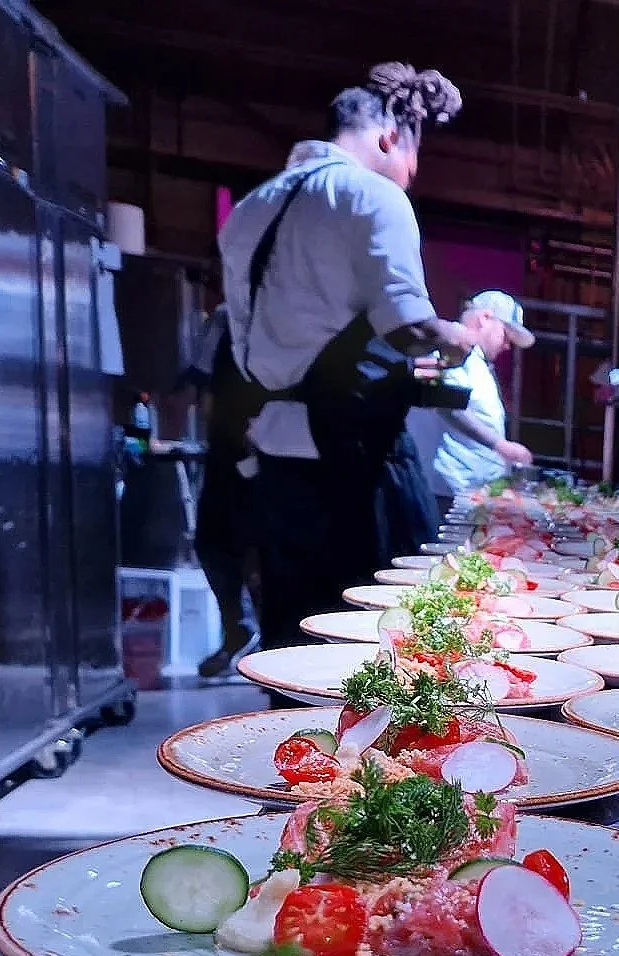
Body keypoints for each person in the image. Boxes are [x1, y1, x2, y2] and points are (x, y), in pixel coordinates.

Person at [217, 63, 475, 652]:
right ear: (391, 137)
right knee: (393, 648)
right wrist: (459, 341)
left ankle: (293, 744)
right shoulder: (369, 194)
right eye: (414, 158)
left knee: (291, 649)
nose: (411, 175)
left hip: (276, 463)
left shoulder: (251, 207)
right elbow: (410, 330)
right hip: (353, 467)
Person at [177, 303, 260, 677]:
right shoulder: (227, 314)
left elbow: (201, 390)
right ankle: (238, 628)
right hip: (231, 449)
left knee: (265, 548)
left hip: (280, 450)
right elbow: (203, 385)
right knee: (214, 542)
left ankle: (262, 636)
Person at [407, 290, 535, 515]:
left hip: (472, 494)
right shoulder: (453, 350)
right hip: (448, 492)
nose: (507, 346)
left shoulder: (476, 361)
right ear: (485, 318)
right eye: (506, 335)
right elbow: (448, 406)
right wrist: (501, 445)